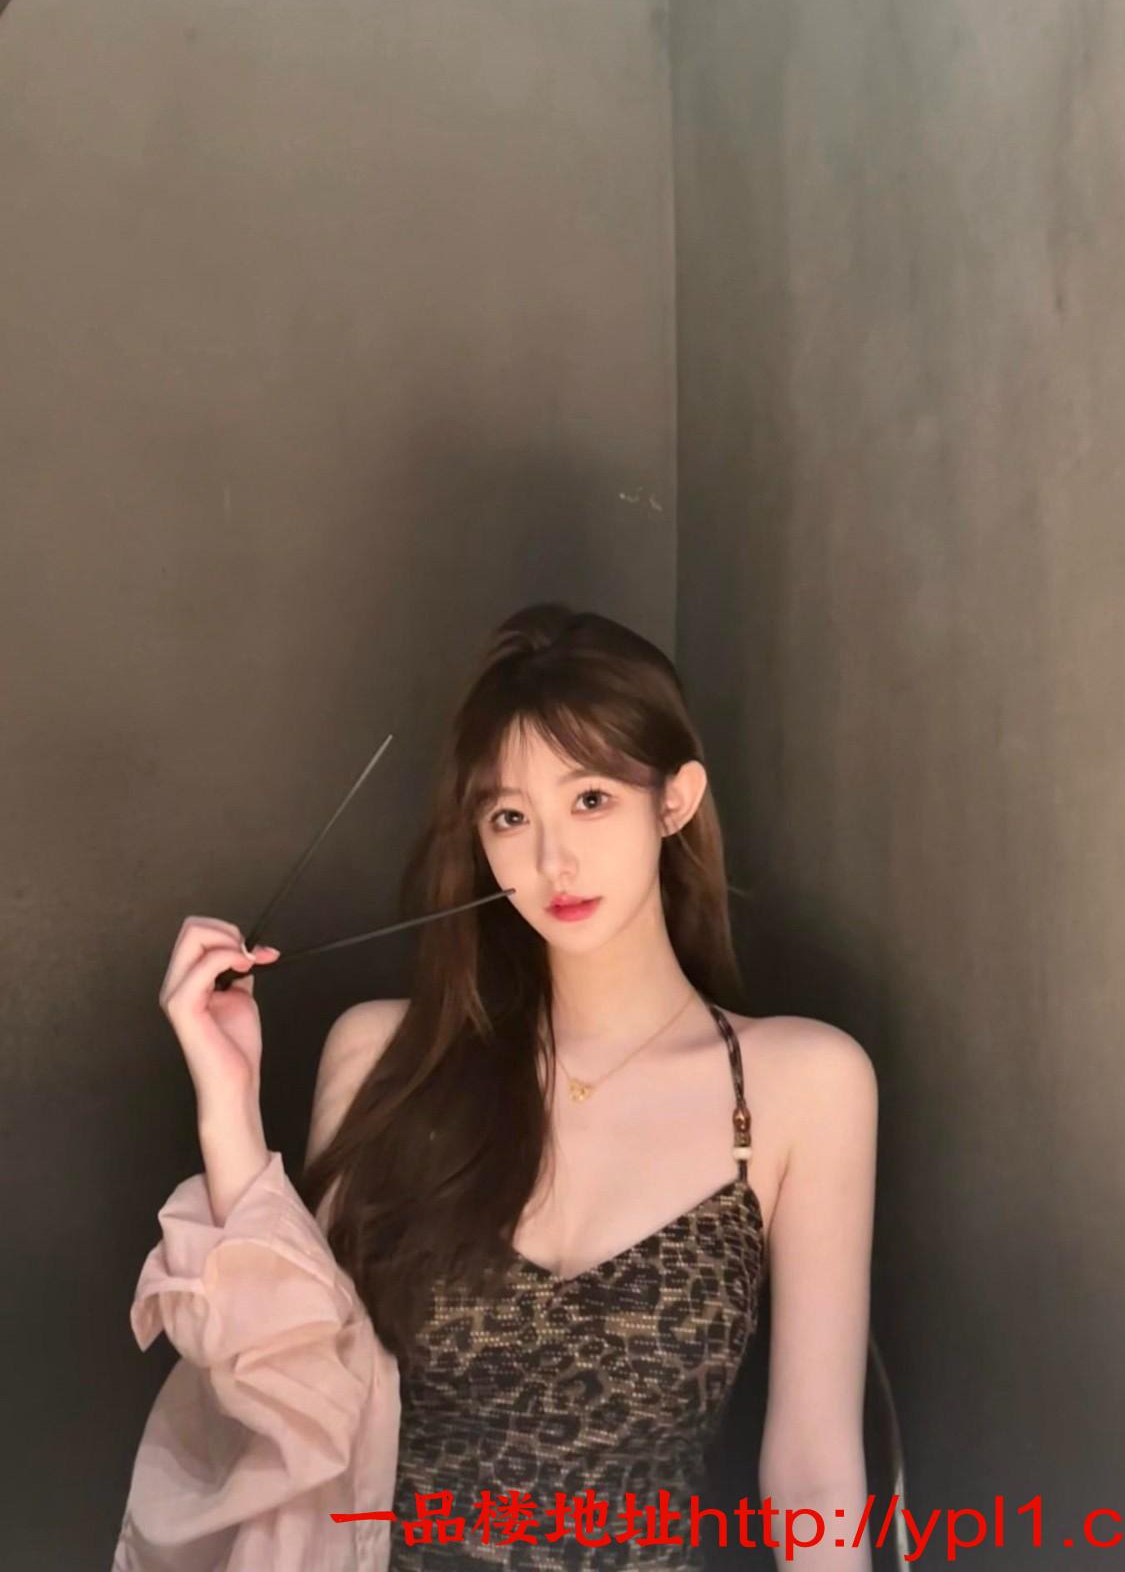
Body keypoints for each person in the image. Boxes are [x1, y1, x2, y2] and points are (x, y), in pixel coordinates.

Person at [114, 602, 877, 1572]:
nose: (554, 859)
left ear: (675, 801)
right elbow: (305, 1402)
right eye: (511, 816)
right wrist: (229, 1105)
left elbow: (814, 1477)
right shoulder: (386, 1056)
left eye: (591, 799)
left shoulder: (804, 1083)